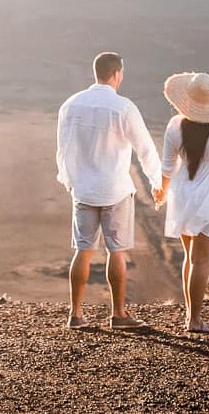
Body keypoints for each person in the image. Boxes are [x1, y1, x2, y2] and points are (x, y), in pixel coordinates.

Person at [55, 50, 163, 329]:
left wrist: (70, 181)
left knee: (83, 250)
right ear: (116, 74)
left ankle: (75, 315)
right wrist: (157, 183)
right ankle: (118, 315)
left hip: (83, 189)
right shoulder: (124, 107)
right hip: (115, 189)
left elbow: (63, 150)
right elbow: (145, 148)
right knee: (116, 252)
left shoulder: (70, 104)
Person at [153, 71, 209, 334]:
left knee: (190, 258)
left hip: (182, 196)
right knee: (200, 261)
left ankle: (190, 317)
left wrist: (162, 192)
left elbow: (168, 167)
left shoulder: (174, 125)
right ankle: (195, 321)